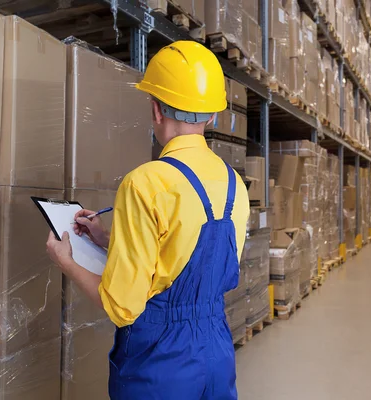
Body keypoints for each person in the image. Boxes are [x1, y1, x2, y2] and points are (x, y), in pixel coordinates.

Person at [47, 40, 250, 399]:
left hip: (162, 360)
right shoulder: (234, 184)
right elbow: (184, 258)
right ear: (213, 115)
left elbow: (122, 306)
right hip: (217, 349)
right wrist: (108, 238)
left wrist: (68, 263)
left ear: (156, 110)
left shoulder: (146, 183)